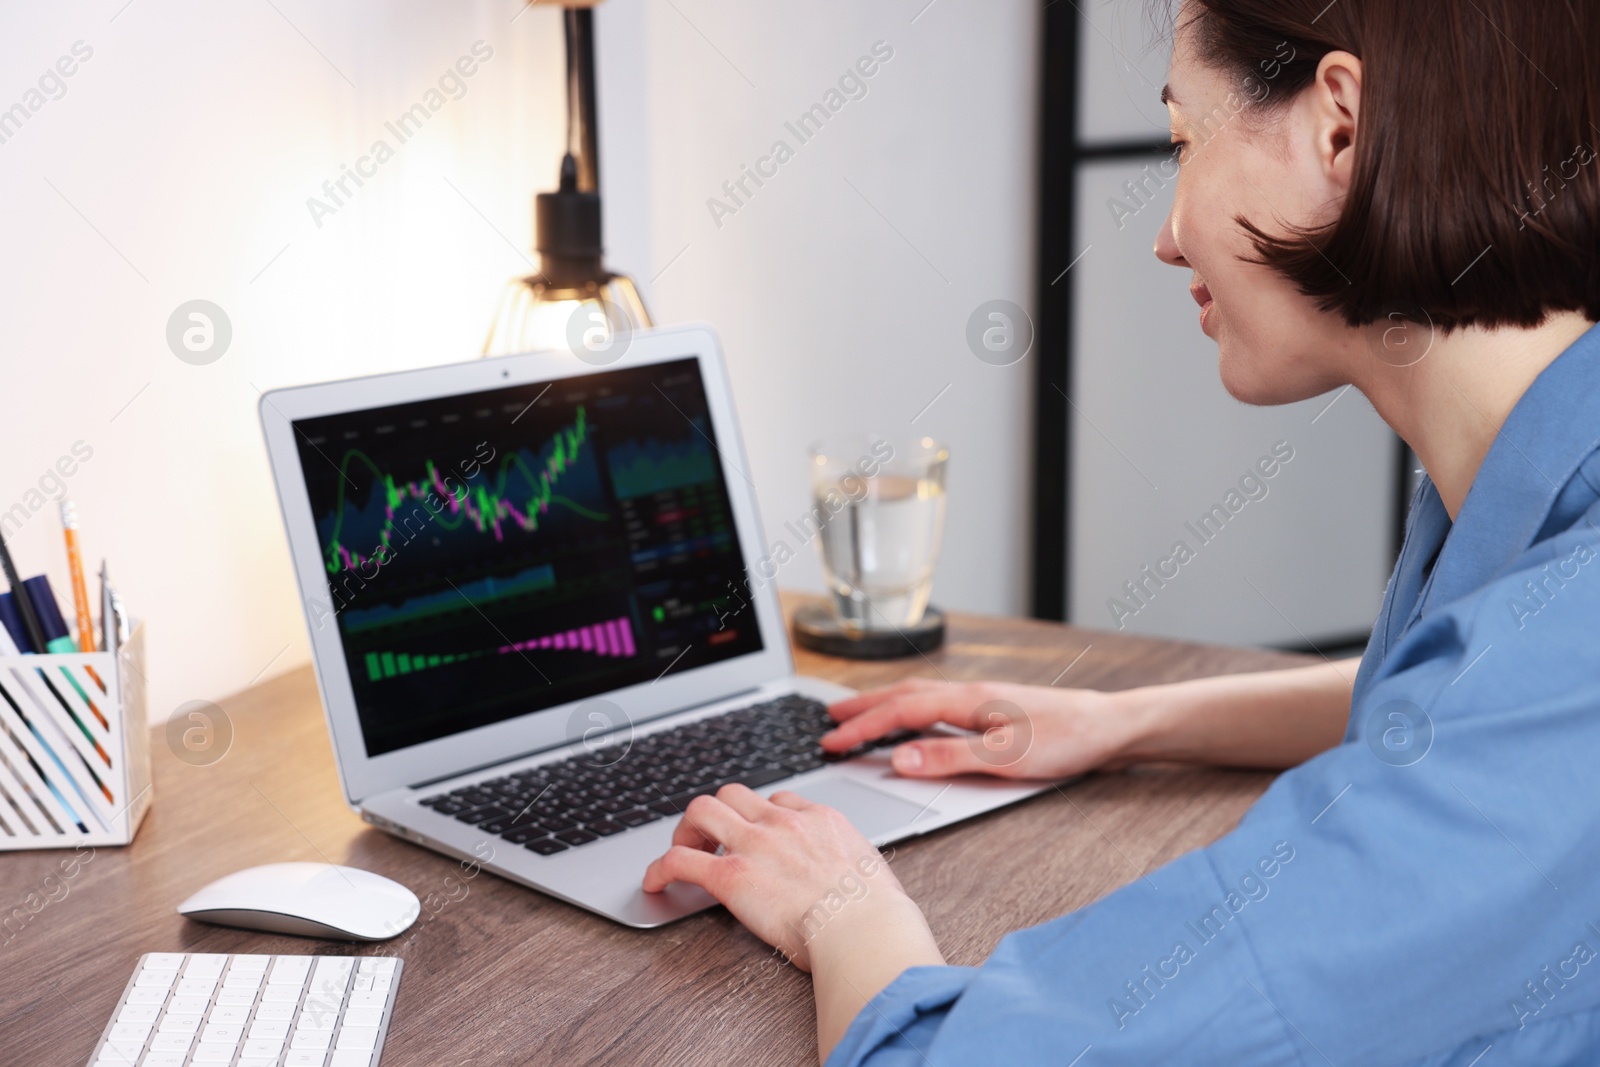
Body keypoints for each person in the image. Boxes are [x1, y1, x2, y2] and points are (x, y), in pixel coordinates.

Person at [643, 0, 1600, 1061]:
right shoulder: (1535, 515)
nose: (1161, 234)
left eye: (1184, 143)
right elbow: (1452, 701)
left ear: (1341, 130)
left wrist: (843, 905)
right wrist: (1122, 721)